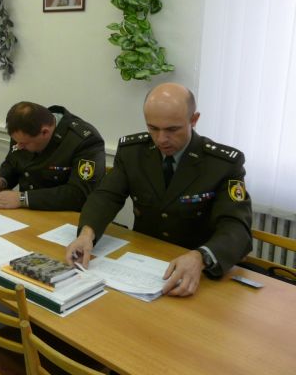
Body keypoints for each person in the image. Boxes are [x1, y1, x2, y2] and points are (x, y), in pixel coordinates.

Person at [66, 83, 253, 297]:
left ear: (194, 119)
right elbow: (106, 196)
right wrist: (87, 234)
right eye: (153, 128)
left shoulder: (221, 164)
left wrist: (201, 257)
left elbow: (237, 228)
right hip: (142, 263)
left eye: (172, 129)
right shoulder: (133, 153)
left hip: (197, 275)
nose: (161, 139)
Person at [0, 102, 105, 211]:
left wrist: (23, 198)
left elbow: (79, 194)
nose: (19, 146)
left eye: (24, 143)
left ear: (45, 132)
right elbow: (13, 162)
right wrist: (2, 180)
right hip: (25, 212)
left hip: (64, 217)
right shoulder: (24, 129)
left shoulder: (84, 140)